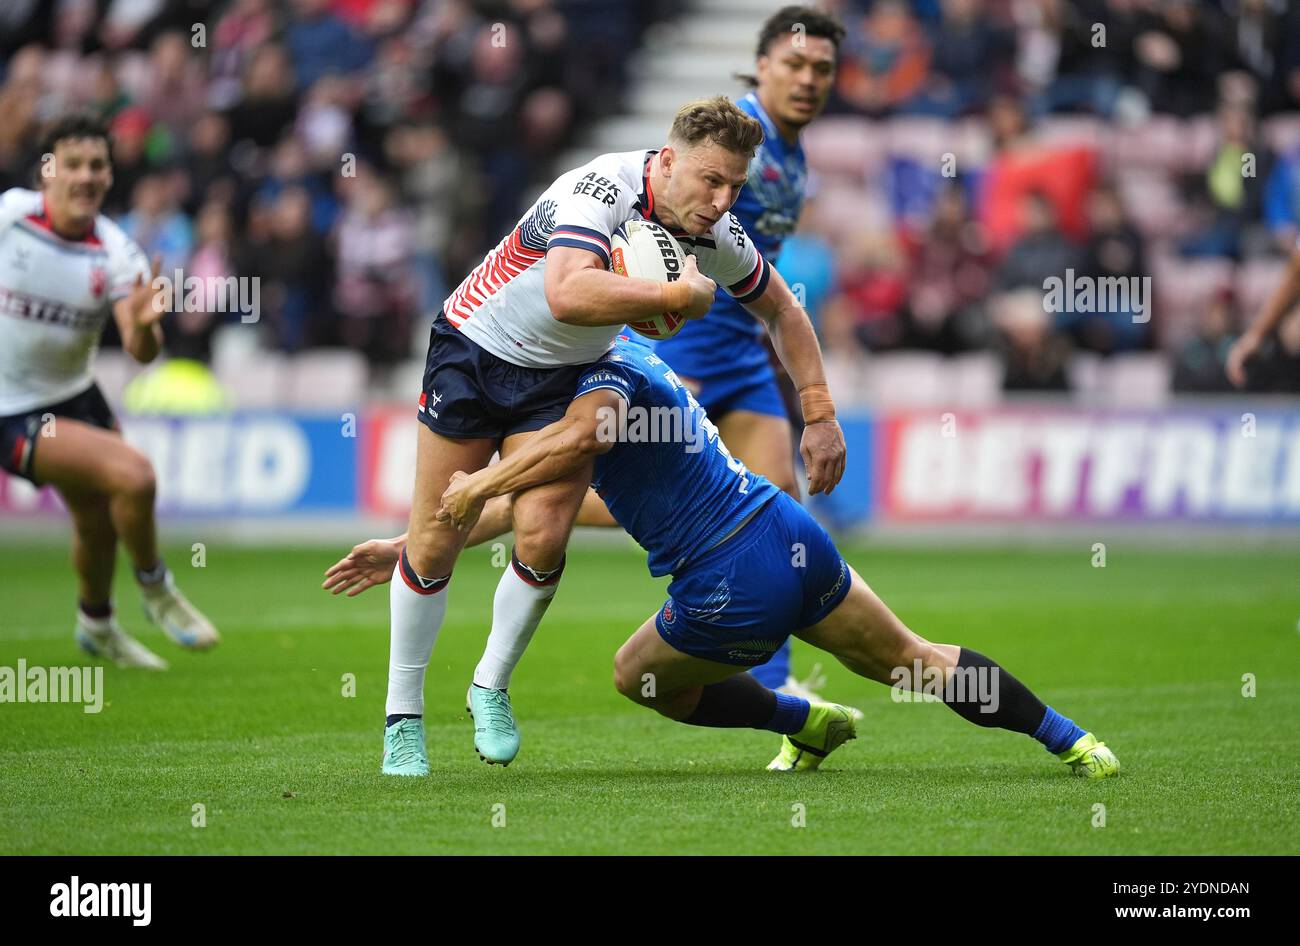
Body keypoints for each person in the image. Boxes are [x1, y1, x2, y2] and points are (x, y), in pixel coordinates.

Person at [345, 337, 1119, 779]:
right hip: (788, 533)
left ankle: (802, 719)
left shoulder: (600, 386)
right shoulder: (642, 360)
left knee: (635, 676)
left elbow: (568, 454)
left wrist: (474, 483)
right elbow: (568, 507)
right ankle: (1072, 739)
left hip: (727, 577)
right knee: (915, 658)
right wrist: (416, 546)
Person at [362, 96, 846, 776]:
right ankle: (403, 719)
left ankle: (491, 684)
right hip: (474, 349)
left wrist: (819, 411)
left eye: (735, 185)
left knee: (542, 532)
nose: (721, 199)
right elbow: (567, 294)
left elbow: (783, 310)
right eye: (711, 180)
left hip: (564, 371)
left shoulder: (715, 230)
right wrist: (677, 298)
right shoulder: (598, 189)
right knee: (435, 537)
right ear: (668, 160)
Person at [0, 114, 219, 669]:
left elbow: (141, 351)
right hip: (12, 409)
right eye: (72, 164)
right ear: (47, 172)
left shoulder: (117, 252)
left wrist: (145, 324)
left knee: (96, 519)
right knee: (135, 476)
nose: (86, 176)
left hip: (76, 395)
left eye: (97, 165)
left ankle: (95, 625)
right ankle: (157, 589)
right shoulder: (10, 220)